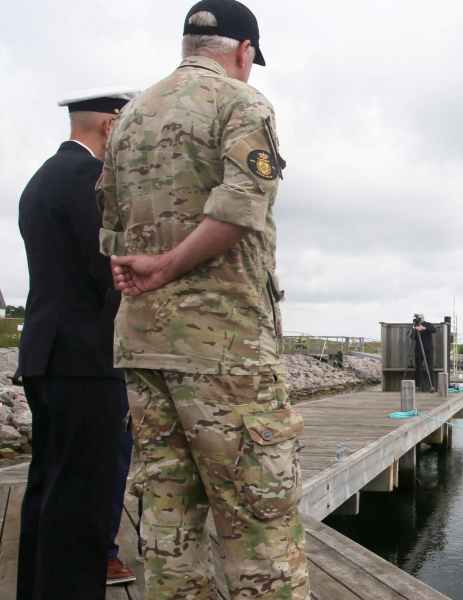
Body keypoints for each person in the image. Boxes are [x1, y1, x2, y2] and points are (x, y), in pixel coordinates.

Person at [98, 1, 308, 597]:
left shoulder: (131, 115)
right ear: (244, 52)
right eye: (251, 60)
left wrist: (143, 269)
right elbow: (243, 206)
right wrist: (167, 266)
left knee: (167, 519)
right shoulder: (241, 103)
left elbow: (110, 228)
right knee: (260, 521)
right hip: (225, 348)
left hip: (143, 343)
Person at [16, 87, 138, 600]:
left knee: (46, 486)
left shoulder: (41, 179)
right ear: (111, 126)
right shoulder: (90, 181)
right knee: (84, 496)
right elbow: (105, 271)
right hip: (86, 360)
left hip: (46, 354)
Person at [410, 315, 437, 392]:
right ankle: (417, 386)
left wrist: (423, 328)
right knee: (418, 368)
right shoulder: (415, 326)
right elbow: (412, 337)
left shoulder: (427, 324)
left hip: (428, 349)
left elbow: (434, 330)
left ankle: (432, 386)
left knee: (430, 367)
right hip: (418, 349)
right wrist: (415, 329)